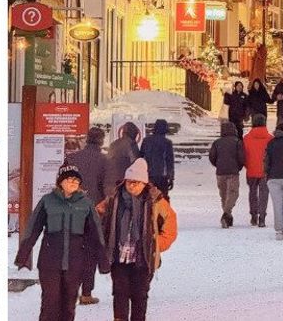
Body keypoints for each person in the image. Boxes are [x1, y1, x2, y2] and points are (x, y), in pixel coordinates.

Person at [16, 164, 107, 321]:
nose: (73, 182)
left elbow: (96, 234)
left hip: (75, 263)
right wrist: (23, 254)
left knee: (68, 305)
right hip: (50, 262)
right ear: (60, 182)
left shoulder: (86, 204)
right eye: (69, 178)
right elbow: (33, 228)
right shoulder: (47, 201)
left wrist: (103, 261)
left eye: (76, 180)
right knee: (49, 304)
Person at [97, 158, 178, 321]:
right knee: (119, 293)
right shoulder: (114, 197)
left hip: (144, 257)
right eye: (129, 182)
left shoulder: (155, 200)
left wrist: (157, 244)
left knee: (140, 295)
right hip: (118, 256)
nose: (132, 185)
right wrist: (101, 239)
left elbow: (170, 221)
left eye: (136, 182)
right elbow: (97, 214)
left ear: (144, 183)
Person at [65, 127, 108, 305]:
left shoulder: (72, 158)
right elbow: (107, 188)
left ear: (87, 139)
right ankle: (86, 293)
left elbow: (62, 182)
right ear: (101, 141)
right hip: (94, 212)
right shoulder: (105, 160)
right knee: (90, 253)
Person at [208, 121, 246, 228]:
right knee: (233, 193)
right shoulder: (237, 142)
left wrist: (218, 165)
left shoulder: (217, 143)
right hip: (233, 171)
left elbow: (212, 157)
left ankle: (227, 217)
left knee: (223, 195)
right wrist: (238, 167)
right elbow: (241, 158)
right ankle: (226, 214)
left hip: (220, 172)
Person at [243, 114, 272, 228]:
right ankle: (262, 217)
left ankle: (253, 215)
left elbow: (243, 155)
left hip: (251, 169)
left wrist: (247, 165)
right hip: (265, 170)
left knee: (252, 192)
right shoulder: (270, 138)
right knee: (264, 193)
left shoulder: (246, 138)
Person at [138, 119, 175, 198]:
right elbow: (169, 162)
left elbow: (140, 158)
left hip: (147, 176)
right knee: (162, 200)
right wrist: (171, 178)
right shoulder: (167, 143)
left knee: (148, 199)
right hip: (162, 177)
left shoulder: (146, 141)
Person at [106, 122, 142, 192]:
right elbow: (135, 163)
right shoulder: (131, 145)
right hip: (126, 180)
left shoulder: (113, 144)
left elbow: (108, 160)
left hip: (112, 180)